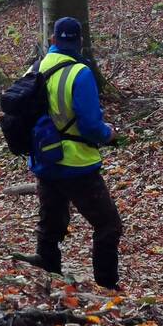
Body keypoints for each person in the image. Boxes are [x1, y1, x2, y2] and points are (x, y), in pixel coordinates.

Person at [16, 17, 122, 290]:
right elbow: (89, 125)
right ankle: (107, 285)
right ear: (80, 41)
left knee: (51, 220)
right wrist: (109, 134)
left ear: (53, 40)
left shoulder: (35, 68)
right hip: (76, 163)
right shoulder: (81, 73)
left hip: (43, 159)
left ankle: (50, 270)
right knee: (108, 224)